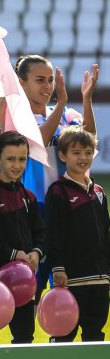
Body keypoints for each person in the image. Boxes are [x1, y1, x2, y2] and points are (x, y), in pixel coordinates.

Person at [14, 54, 98, 299]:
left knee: (68, 276)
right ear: (21, 83)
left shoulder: (67, 114)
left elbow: (88, 139)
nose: (47, 86)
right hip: (36, 206)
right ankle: (28, 336)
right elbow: (36, 143)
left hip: (70, 203)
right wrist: (60, 103)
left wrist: (86, 99)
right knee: (33, 282)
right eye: (40, 80)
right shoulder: (17, 117)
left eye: (50, 79)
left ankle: (61, 333)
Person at [0, 131, 45, 344]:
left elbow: (40, 233)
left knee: (25, 335)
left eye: (22, 159)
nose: (17, 165)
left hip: (23, 282)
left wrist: (36, 252)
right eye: (10, 159)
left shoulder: (29, 196)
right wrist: (13, 253)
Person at [45, 128, 109, 342]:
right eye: (76, 152)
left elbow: (105, 233)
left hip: (100, 280)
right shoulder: (58, 191)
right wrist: (58, 267)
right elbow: (54, 233)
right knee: (63, 336)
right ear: (63, 156)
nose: (83, 158)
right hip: (71, 280)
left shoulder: (99, 191)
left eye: (88, 152)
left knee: (95, 337)